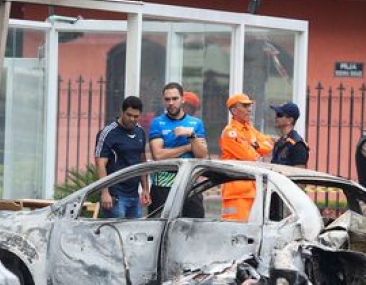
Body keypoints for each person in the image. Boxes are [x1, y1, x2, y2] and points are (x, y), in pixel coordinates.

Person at [148, 82, 208, 216]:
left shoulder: (196, 124)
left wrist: (191, 136)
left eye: (175, 99)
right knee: (160, 230)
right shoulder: (157, 123)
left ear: (182, 99)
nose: (171, 103)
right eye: (167, 99)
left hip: (189, 185)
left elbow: (201, 154)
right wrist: (188, 146)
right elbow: (158, 155)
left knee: (194, 229)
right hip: (163, 185)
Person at [94, 96, 151, 218]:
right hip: (115, 196)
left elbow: (142, 162)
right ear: (122, 112)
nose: (132, 119)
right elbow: (100, 163)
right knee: (116, 234)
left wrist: (145, 189)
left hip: (134, 195)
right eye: (129, 115)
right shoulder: (108, 132)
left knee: (133, 234)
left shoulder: (140, 131)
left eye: (136, 117)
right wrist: (105, 192)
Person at [219, 93, 273, 221]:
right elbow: (250, 157)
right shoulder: (230, 132)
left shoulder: (249, 129)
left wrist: (253, 145)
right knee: (236, 233)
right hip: (236, 193)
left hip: (251, 190)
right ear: (234, 110)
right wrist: (257, 150)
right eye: (244, 105)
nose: (249, 109)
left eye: (249, 105)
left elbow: (269, 145)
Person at [270, 102, 309, 167]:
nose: (276, 117)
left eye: (279, 114)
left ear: (290, 120)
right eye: (276, 114)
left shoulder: (298, 145)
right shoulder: (279, 142)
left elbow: (298, 174)